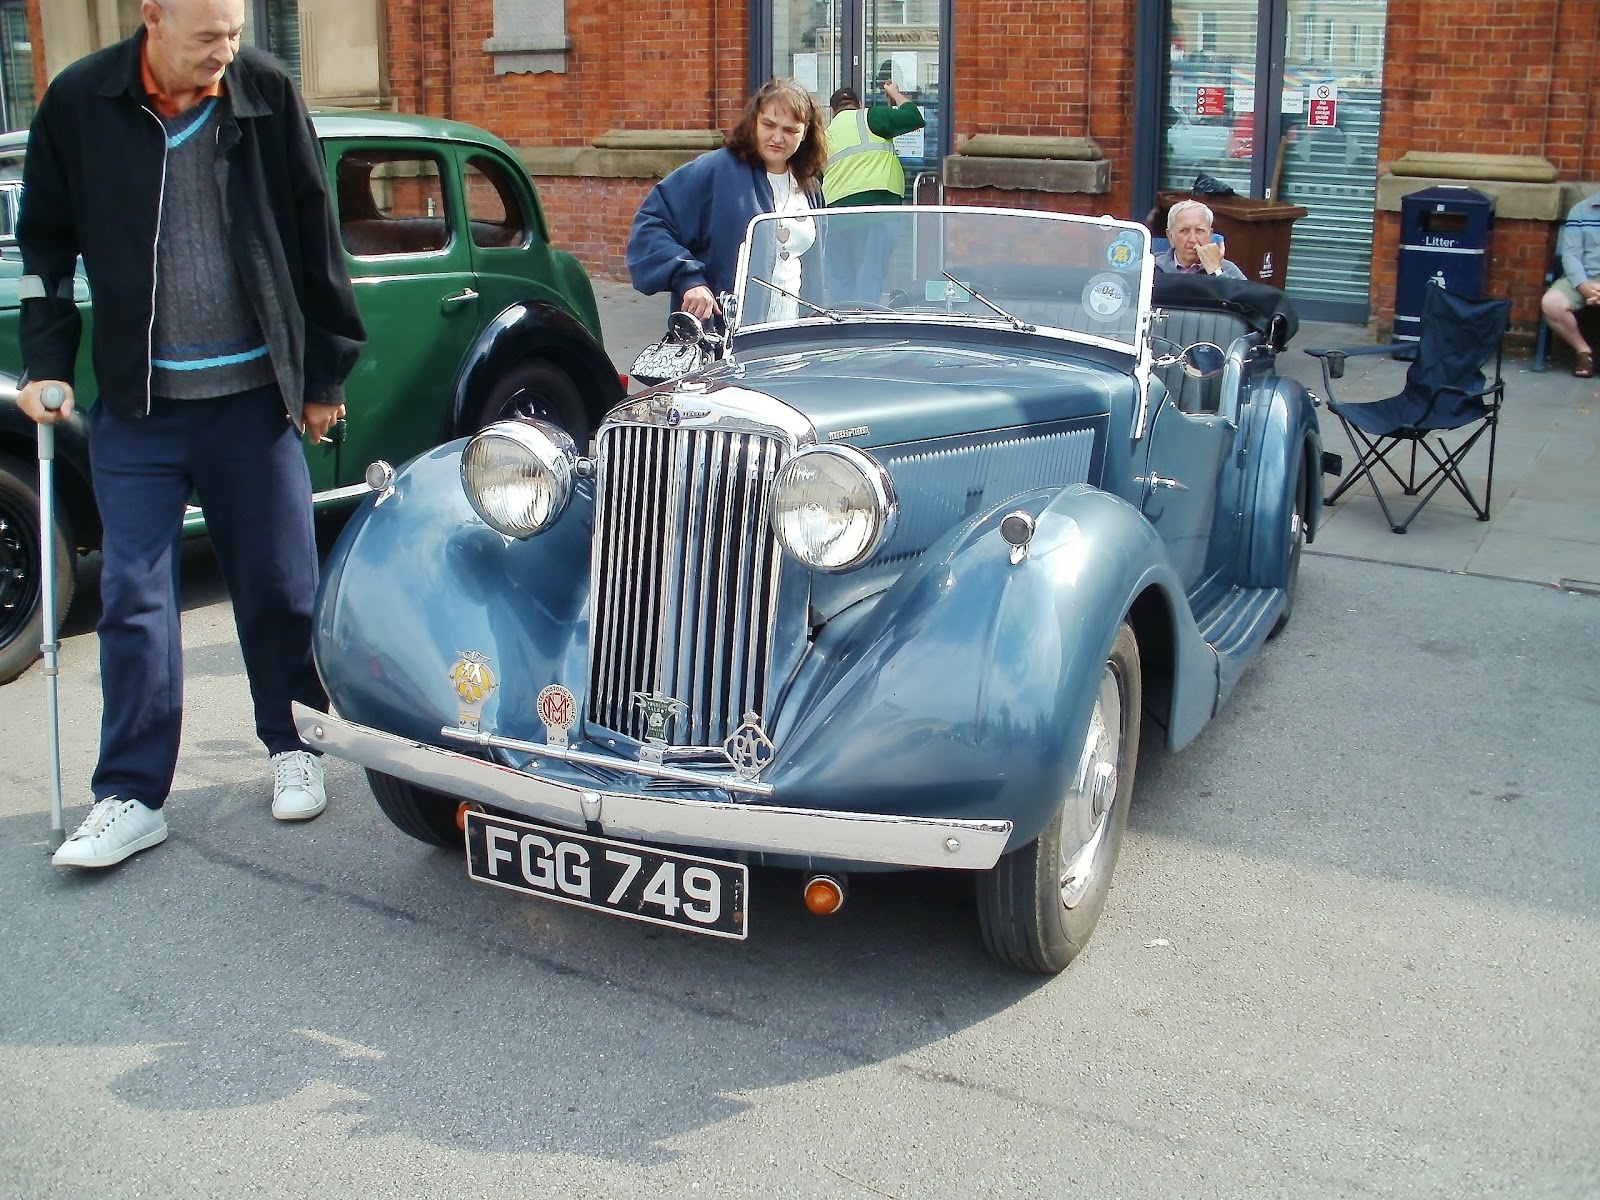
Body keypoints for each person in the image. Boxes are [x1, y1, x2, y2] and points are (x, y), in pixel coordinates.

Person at [15, 0, 366, 869]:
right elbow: (46, 247)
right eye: (209, 34)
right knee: (133, 597)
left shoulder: (264, 94)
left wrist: (323, 376)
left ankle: (294, 746)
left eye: (236, 32)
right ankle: (131, 794)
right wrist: (45, 364)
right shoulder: (80, 103)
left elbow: (315, 234)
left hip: (254, 397)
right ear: (154, 18)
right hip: (141, 404)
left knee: (282, 584)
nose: (226, 51)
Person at [628, 78, 826, 326]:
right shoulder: (716, 170)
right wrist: (689, 280)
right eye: (769, 125)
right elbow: (652, 223)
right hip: (725, 335)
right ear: (754, 122)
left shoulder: (809, 186)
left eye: (790, 130)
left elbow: (816, 269)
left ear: (805, 132)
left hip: (789, 336)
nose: (778, 137)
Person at [821, 80, 925, 304]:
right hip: (877, 211)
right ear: (858, 105)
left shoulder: (824, 136)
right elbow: (913, 117)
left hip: (835, 217)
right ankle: (864, 329)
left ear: (832, 111)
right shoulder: (871, 117)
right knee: (870, 276)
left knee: (840, 281)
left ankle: (842, 331)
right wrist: (895, 94)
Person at [1539, 190, 1600, 378]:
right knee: (1552, 303)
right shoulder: (1581, 211)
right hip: (1583, 278)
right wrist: (1583, 285)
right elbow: (1571, 255)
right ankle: (1583, 353)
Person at [1155, 199, 1246, 280]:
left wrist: (1216, 271)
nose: (1193, 239)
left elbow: (1245, 298)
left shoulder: (1227, 269)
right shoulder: (1150, 267)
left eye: (1199, 231)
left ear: (1210, 235)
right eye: (1184, 231)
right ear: (1170, 236)